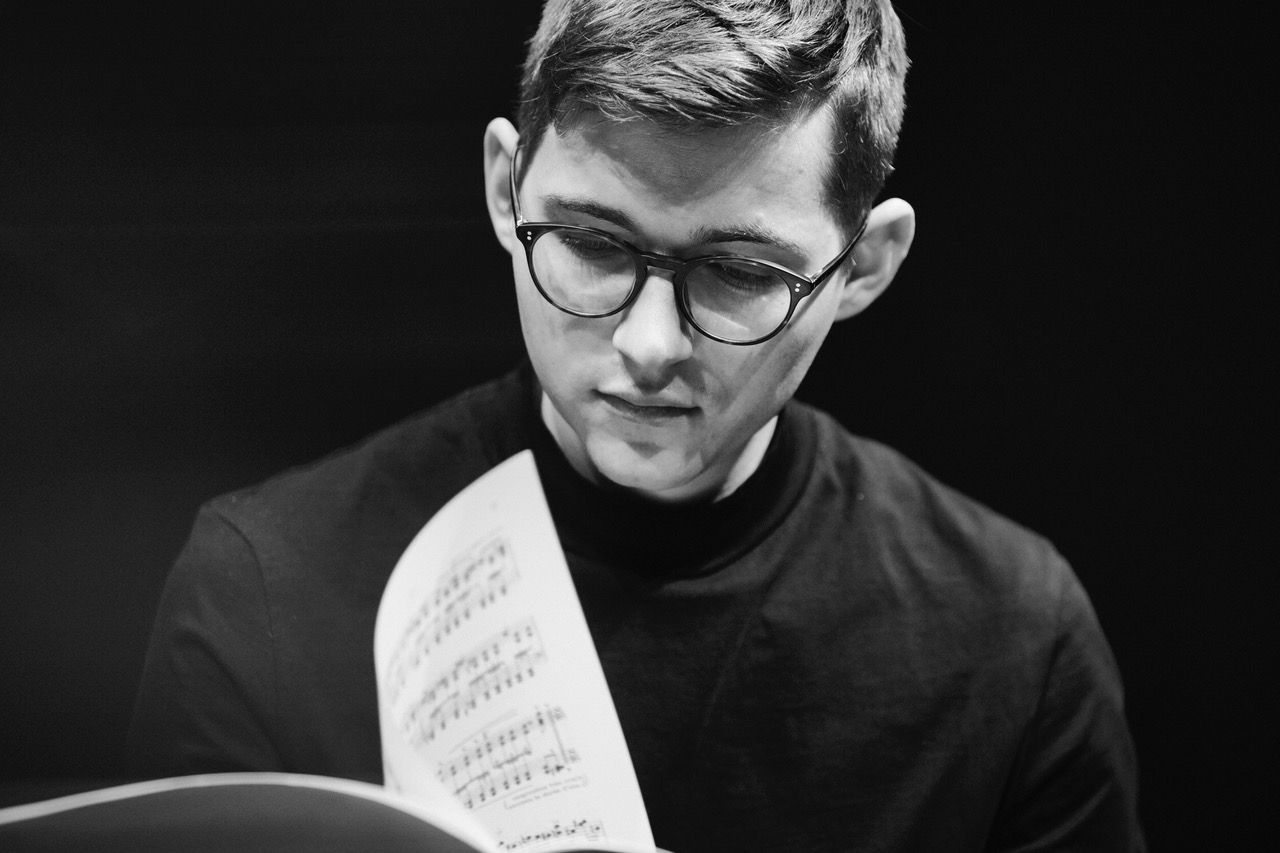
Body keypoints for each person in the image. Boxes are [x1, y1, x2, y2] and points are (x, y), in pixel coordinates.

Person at [128, 1, 1145, 850]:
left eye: (738, 272)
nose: (649, 344)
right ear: (505, 188)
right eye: (591, 245)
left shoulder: (1012, 633)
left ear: (864, 266)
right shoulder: (264, 586)